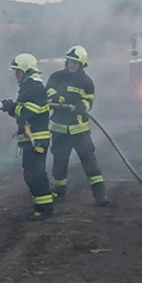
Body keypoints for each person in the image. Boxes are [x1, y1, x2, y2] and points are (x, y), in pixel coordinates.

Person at [45, 45, 109, 206]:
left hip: (79, 130)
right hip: (59, 129)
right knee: (59, 162)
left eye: (75, 63)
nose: (72, 65)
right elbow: (48, 92)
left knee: (89, 162)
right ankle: (58, 193)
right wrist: (57, 99)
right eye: (70, 62)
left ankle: (100, 196)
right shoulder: (56, 77)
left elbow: (89, 101)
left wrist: (81, 107)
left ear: (82, 65)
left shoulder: (86, 82)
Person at [0, 53, 55, 220]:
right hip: (31, 139)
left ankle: (45, 210)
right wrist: (12, 107)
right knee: (31, 174)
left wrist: (12, 108)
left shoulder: (34, 88)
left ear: (26, 70)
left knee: (35, 174)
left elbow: (28, 113)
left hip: (36, 139)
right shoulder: (28, 87)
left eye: (18, 71)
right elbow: (23, 113)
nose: (16, 75)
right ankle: (41, 207)